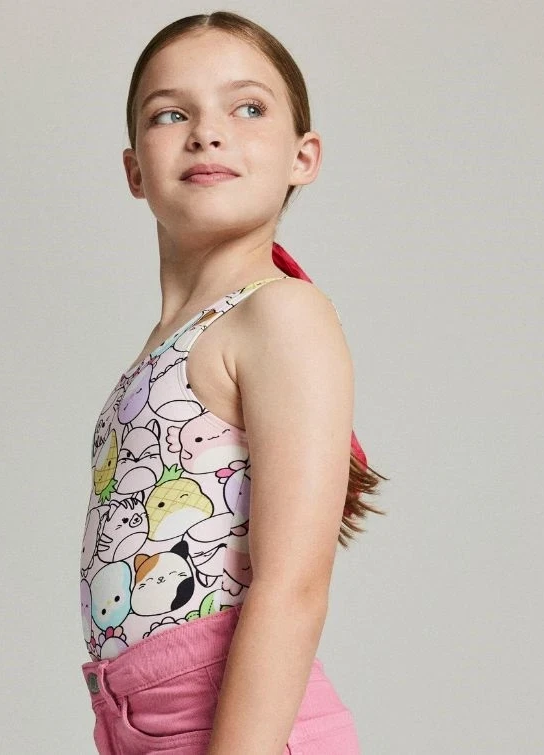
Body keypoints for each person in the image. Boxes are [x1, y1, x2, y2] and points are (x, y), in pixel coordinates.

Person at [80, 11, 388, 754]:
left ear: (302, 157)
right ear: (134, 170)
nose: (207, 133)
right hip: (142, 728)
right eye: (171, 114)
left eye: (247, 108)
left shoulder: (281, 313)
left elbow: (292, 589)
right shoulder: (167, 345)